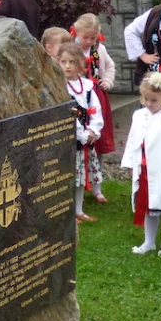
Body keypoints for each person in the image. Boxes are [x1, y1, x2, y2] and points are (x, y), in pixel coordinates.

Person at [122, 72, 161, 257]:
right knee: (147, 206)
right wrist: (130, 163)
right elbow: (132, 139)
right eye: (146, 99)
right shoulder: (139, 115)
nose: (149, 104)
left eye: (154, 100)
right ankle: (148, 242)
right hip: (144, 170)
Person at [57, 42, 103, 224]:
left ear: (80, 65)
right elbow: (66, 114)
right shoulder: (60, 87)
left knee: (81, 178)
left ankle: (78, 209)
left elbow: (95, 109)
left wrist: (93, 129)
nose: (67, 66)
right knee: (68, 177)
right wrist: (81, 134)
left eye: (72, 62)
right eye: (63, 62)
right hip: (71, 138)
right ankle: (65, 210)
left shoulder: (88, 86)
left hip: (86, 139)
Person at [72, 13, 116, 203]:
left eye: (93, 38)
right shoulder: (71, 50)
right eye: (85, 37)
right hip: (78, 99)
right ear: (77, 32)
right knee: (80, 142)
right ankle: (78, 184)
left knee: (97, 141)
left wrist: (107, 80)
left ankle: (97, 187)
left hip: (97, 99)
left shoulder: (100, 50)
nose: (89, 41)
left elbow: (110, 67)